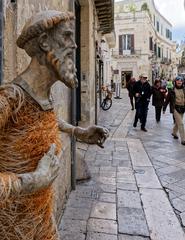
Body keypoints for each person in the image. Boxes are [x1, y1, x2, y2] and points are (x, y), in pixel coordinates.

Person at [0, 10, 109, 240]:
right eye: (68, 37)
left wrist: (77, 131)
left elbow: (44, 118)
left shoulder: (42, 97)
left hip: (41, 222)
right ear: (44, 42)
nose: (75, 47)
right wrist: (32, 181)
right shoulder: (9, 99)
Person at [163, 76, 185, 145]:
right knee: (181, 123)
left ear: (182, 82)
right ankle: (183, 139)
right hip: (175, 108)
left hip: (182, 108)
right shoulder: (172, 91)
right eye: (178, 81)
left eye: (180, 81)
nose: (179, 82)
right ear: (175, 82)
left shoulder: (184, 89)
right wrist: (164, 108)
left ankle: (174, 132)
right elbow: (167, 100)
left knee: (178, 123)